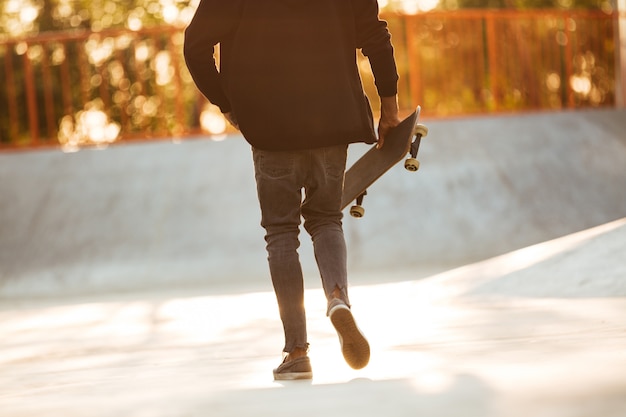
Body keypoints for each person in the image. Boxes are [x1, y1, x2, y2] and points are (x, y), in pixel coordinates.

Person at [184, 0, 401, 380]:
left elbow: (195, 47)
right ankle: (337, 298)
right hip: (334, 117)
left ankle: (297, 351)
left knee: (281, 232)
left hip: (269, 125)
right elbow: (374, 36)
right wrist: (390, 107)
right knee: (326, 219)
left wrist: (228, 104)